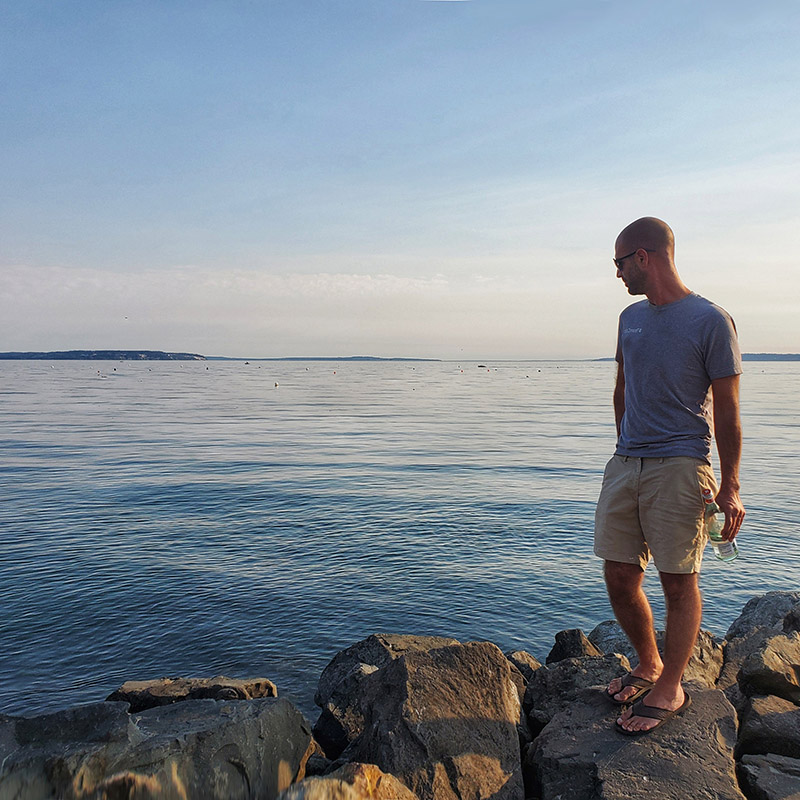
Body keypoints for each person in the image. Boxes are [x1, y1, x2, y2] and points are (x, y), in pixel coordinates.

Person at [594, 217, 745, 735]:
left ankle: (671, 685)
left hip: (682, 465)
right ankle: (649, 662)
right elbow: (622, 386)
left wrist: (730, 486)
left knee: (679, 581)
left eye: (618, 262)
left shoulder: (710, 320)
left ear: (644, 256)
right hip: (627, 462)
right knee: (619, 574)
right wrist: (622, 447)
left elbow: (727, 410)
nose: (615, 273)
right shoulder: (629, 318)